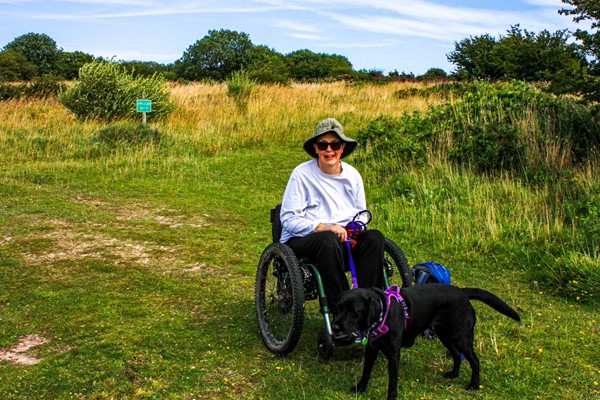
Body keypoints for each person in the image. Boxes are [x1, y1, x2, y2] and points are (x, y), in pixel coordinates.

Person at [279, 117, 386, 312]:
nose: (329, 150)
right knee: (327, 240)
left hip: (343, 238)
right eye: (323, 145)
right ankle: (343, 310)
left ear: (342, 147)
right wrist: (323, 227)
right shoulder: (301, 174)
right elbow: (288, 219)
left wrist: (356, 227)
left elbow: (361, 213)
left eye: (335, 144)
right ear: (316, 148)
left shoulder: (352, 175)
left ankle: (371, 306)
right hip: (305, 239)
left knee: (374, 238)